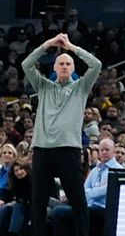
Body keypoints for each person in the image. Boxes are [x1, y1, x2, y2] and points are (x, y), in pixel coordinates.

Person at [22, 33, 101, 236]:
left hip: (68, 149)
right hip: (42, 149)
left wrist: (71, 47)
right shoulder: (43, 86)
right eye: (61, 64)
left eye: (68, 64)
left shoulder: (81, 87)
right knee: (38, 201)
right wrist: (48, 44)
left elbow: (96, 65)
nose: (65, 66)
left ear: (73, 69)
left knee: (78, 199)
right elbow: (26, 64)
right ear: (54, 68)